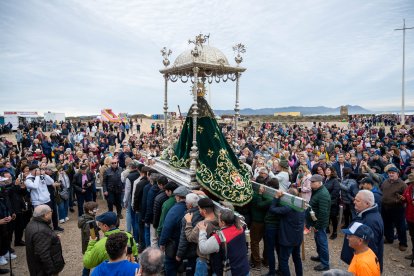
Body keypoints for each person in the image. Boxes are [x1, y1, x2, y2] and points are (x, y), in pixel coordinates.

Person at [340, 190, 384, 272]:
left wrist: (360, 262)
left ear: (367, 204)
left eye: (357, 201)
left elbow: (369, 247)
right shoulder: (366, 214)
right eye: (355, 199)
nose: (354, 202)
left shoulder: (370, 222)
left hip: (363, 265)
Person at [198, 208, 250, 276]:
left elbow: (203, 248)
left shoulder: (219, 238)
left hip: (231, 273)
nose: (217, 220)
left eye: (219, 219)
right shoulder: (240, 227)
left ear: (223, 222)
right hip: (244, 269)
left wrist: (202, 231)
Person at [270, 188, 305, 276]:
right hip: (297, 238)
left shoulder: (288, 208)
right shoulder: (302, 207)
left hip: (287, 239)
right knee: (297, 258)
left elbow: (272, 209)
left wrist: (276, 197)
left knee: (283, 261)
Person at [25, 205, 65, 276]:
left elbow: (40, 242)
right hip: (44, 271)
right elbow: (44, 255)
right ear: (45, 215)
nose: (52, 213)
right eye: (51, 212)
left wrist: (53, 237)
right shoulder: (40, 231)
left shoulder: (33, 223)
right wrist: (52, 272)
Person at [159, 186, 189, 276]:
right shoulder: (190, 208)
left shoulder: (175, 210)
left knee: (169, 265)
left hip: (174, 244)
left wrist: (162, 243)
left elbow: (167, 227)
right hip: (185, 245)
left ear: (178, 197)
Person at [184, 197, 219, 276]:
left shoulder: (202, 225)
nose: (199, 211)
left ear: (204, 211)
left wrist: (188, 221)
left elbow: (190, 237)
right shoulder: (220, 221)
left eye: (199, 209)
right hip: (216, 259)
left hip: (203, 260)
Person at [306, 174, 331, 271]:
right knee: (318, 241)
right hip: (316, 222)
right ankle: (320, 256)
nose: (311, 183)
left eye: (313, 182)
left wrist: (317, 225)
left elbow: (323, 213)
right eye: (311, 181)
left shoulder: (323, 194)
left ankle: (325, 264)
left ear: (319, 183)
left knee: (322, 242)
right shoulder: (317, 190)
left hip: (319, 224)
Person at [380, 166, 407, 250]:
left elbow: (405, 197)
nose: (391, 174)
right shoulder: (385, 182)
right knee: (387, 224)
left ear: (397, 174)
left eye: (393, 173)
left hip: (397, 208)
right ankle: (389, 238)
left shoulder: (402, 184)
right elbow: (381, 190)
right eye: (389, 173)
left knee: (400, 226)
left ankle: (403, 243)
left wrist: (398, 201)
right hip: (385, 207)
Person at [78, 201, 100, 276]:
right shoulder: (88, 222)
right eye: (95, 209)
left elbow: (93, 230)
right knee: (88, 265)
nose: (97, 210)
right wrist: (94, 244)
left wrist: (98, 228)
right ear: (90, 211)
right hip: (90, 246)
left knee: (88, 264)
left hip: (89, 245)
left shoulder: (88, 217)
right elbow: (89, 235)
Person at [402, 173, 414, 265]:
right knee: (413, 236)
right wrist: (402, 198)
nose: (411, 184)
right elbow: (405, 197)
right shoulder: (409, 188)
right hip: (410, 216)